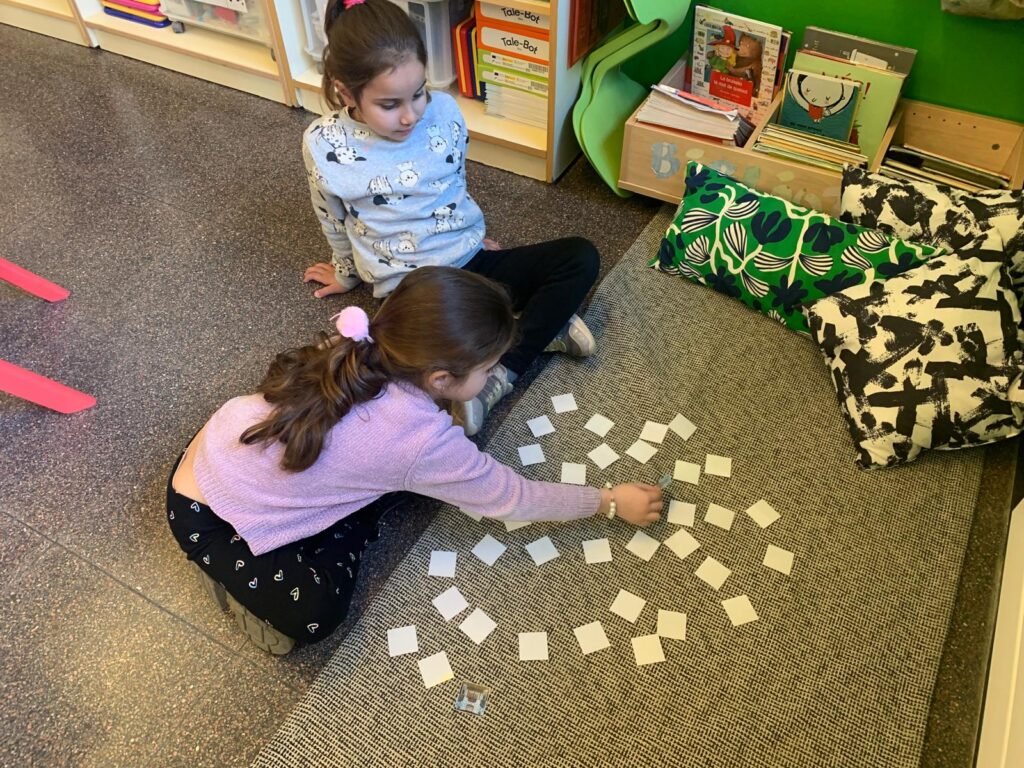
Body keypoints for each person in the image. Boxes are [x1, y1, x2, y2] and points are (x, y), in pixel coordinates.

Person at [168, 267, 663, 655]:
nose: (492, 377)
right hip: (207, 516)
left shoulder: (358, 341)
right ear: (441, 378)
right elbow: (512, 497)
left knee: (398, 485)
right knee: (316, 615)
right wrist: (608, 501)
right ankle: (239, 573)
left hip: (216, 447)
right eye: (488, 369)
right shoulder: (421, 443)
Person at [300, 0, 599, 436]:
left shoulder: (444, 112)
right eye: (389, 104)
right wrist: (345, 272)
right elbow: (331, 214)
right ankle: (528, 326)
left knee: (580, 257)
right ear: (347, 94)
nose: (410, 115)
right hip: (412, 290)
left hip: (470, 261)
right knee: (403, 369)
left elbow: (451, 182)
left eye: (419, 92)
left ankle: (502, 366)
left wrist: (472, 237)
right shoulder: (323, 143)